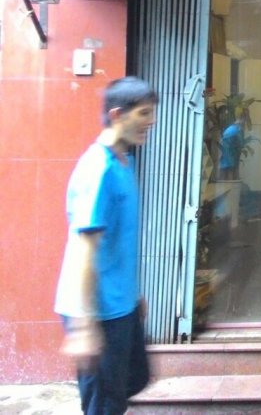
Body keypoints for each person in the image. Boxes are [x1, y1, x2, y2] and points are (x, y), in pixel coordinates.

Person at [54, 77, 158, 414]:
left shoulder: (124, 162)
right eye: (144, 113)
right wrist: (84, 327)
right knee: (104, 404)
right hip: (97, 312)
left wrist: (133, 295)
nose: (152, 121)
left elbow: (118, 242)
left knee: (134, 380)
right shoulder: (98, 170)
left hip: (120, 303)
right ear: (116, 114)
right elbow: (85, 251)